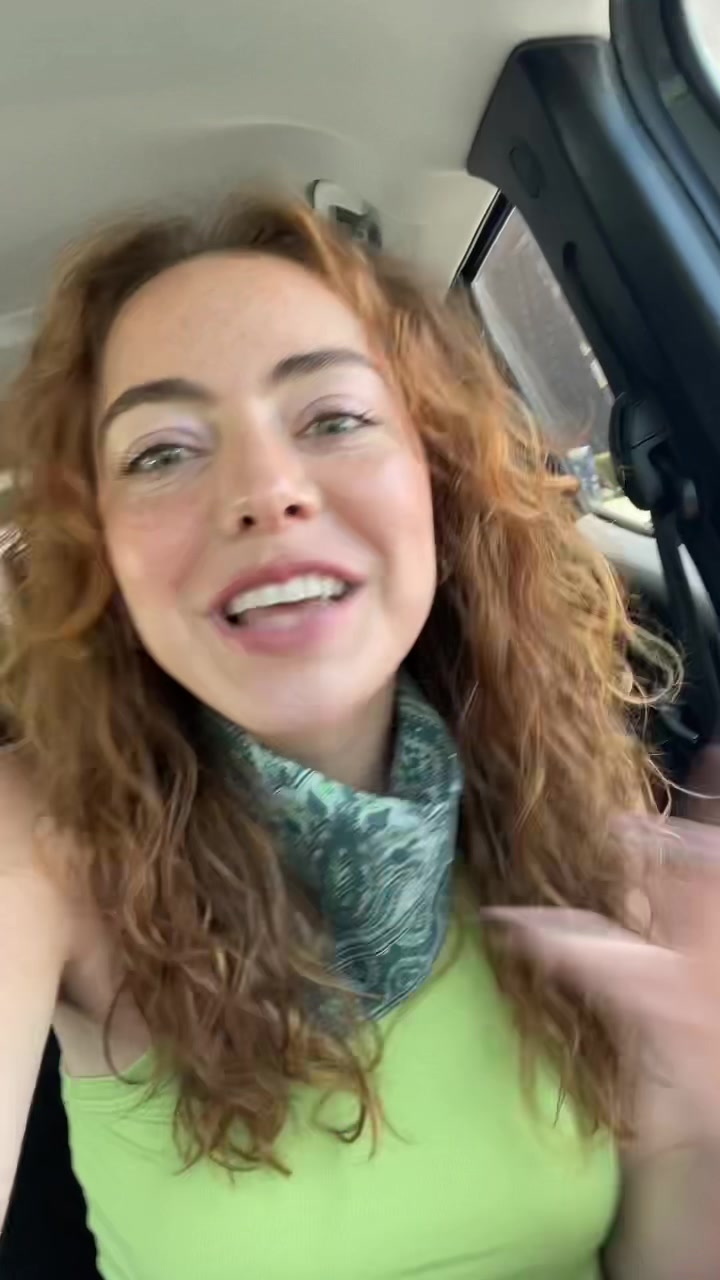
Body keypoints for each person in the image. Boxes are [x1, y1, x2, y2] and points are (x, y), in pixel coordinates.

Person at [1, 192, 720, 1280]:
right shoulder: (42, 841)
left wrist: (697, 1120)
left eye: (333, 418)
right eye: (160, 452)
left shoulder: (568, 817)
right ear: (101, 546)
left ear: (435, 478)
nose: (267, 492)